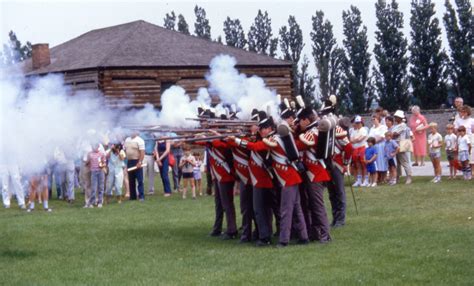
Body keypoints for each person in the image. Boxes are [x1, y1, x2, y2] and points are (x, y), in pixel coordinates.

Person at [392, 110, 413, 184]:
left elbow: (395, 134)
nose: (395, 118)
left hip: (401, 143)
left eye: (396, 117)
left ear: (400, 118)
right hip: (396, 143)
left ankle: (409, 177)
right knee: (397, 162)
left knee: (404, 161)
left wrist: (392, 134)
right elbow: (392, 134)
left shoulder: (403, 125)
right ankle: (397, 176)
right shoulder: (396, 126)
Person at [124, 132, 145, 201]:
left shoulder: (140, 140)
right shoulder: (127, 140)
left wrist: (140, 162)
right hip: (129, 161)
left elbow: (142, 152)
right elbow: (125, 150)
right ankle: (133, 196)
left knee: (140, 180)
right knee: (131, 180)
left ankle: (141, 196)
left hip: (137, 161)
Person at [350, 115, 369, 187]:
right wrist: (355, 140)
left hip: (362, 148)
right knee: (357, 164)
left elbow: (360, 139)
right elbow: (351, 140)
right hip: (355, 149)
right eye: (356, 123)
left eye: (358, 123)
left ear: (361, 123)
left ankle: (366, 180)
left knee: (363, 164)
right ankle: (359, 180)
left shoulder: (364, 130)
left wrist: (354, 140)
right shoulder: (354, 131)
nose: (357, 124)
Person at [368, 114, 388, 183]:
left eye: (374, 119)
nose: (373, 120)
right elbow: (369, 137)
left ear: (378, 119)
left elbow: (382, 137)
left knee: (382, 161)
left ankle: (384, 177)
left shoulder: (383, 127)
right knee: (376, 162)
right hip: (374, 147)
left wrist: (373, 142)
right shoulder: (372, 128)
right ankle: (378, 177)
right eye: (372, 119)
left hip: (381, 146)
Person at [87, 143, 106, 208]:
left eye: (95, 146)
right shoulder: (90, 154)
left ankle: (100, 202)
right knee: (94, 188)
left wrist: (102, 165)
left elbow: (104, 162)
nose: (93, 147)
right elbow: (88, 162)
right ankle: (92, 202)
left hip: (100, 171)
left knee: (101, 187)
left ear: (98, 146)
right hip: (93, 172)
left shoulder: (101, 154)